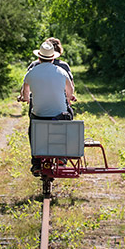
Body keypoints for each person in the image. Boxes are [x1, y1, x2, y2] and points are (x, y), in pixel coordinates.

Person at [17, 41, 75, 176]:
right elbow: (70, 92)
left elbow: (25, 94)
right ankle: (62, 156)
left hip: (39, 116)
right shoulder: (62, 71)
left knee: (32, 130)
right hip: (59, 115)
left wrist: (25, 99)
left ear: (39, 58)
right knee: (69, 115)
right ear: (53, 58)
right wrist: (67, 98)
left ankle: (36, 163)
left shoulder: (31, 73)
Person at [27, 37, 76, 117]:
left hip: (38, 108)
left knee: (33, 121)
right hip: (59, 108)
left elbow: (27, 85)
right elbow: (71, 86)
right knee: (69, 113)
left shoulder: (34, 65)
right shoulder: (63, 66)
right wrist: (70, 97)